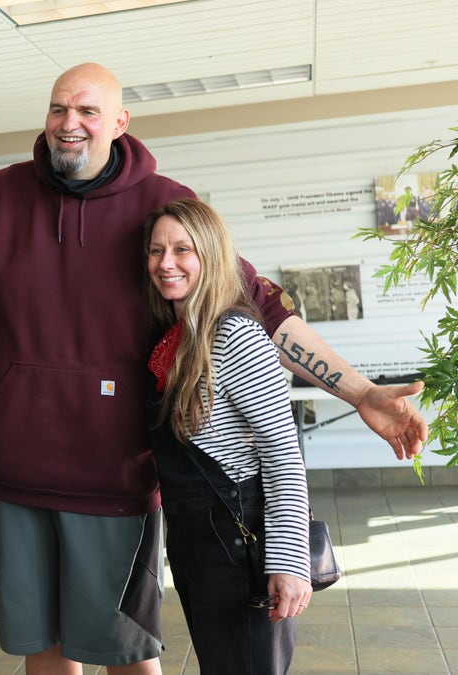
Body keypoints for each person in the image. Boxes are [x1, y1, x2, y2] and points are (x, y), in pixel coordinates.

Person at [0, 63, 428, 674]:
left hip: (116, 483)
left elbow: (262, 309)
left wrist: (360, 389)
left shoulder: (164, 210)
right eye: (59, 108)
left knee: (125, 650)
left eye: (87, 110)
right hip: (18, 478)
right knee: (42, 646)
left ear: (118, 120)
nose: (69, 122)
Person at [144, 198, 311, 673]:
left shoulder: (234, 333)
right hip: (198, 541)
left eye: (182, 249)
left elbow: (282, 454)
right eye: (156, 251)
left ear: (212, 255)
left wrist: (288, 562)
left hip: (242, 546)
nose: (166, 263)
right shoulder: (175, 336)